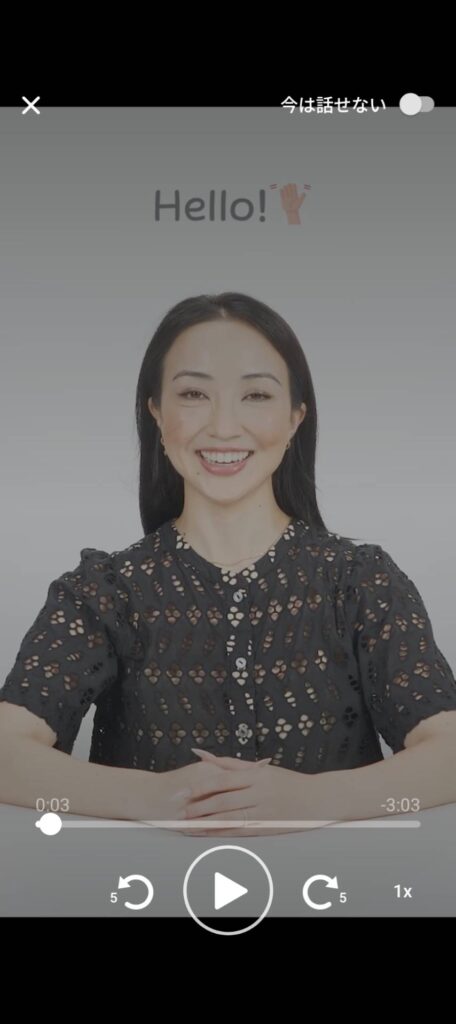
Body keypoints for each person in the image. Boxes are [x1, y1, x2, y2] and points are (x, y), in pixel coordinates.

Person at [1, 292, 456, 837]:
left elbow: (447, 751)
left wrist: (311, 799)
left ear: (296, 417)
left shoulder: (360, 582)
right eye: (194, 394)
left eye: (256, 395)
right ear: (155, 412)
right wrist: (157, 797)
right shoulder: (104, 591)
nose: (222, 427)